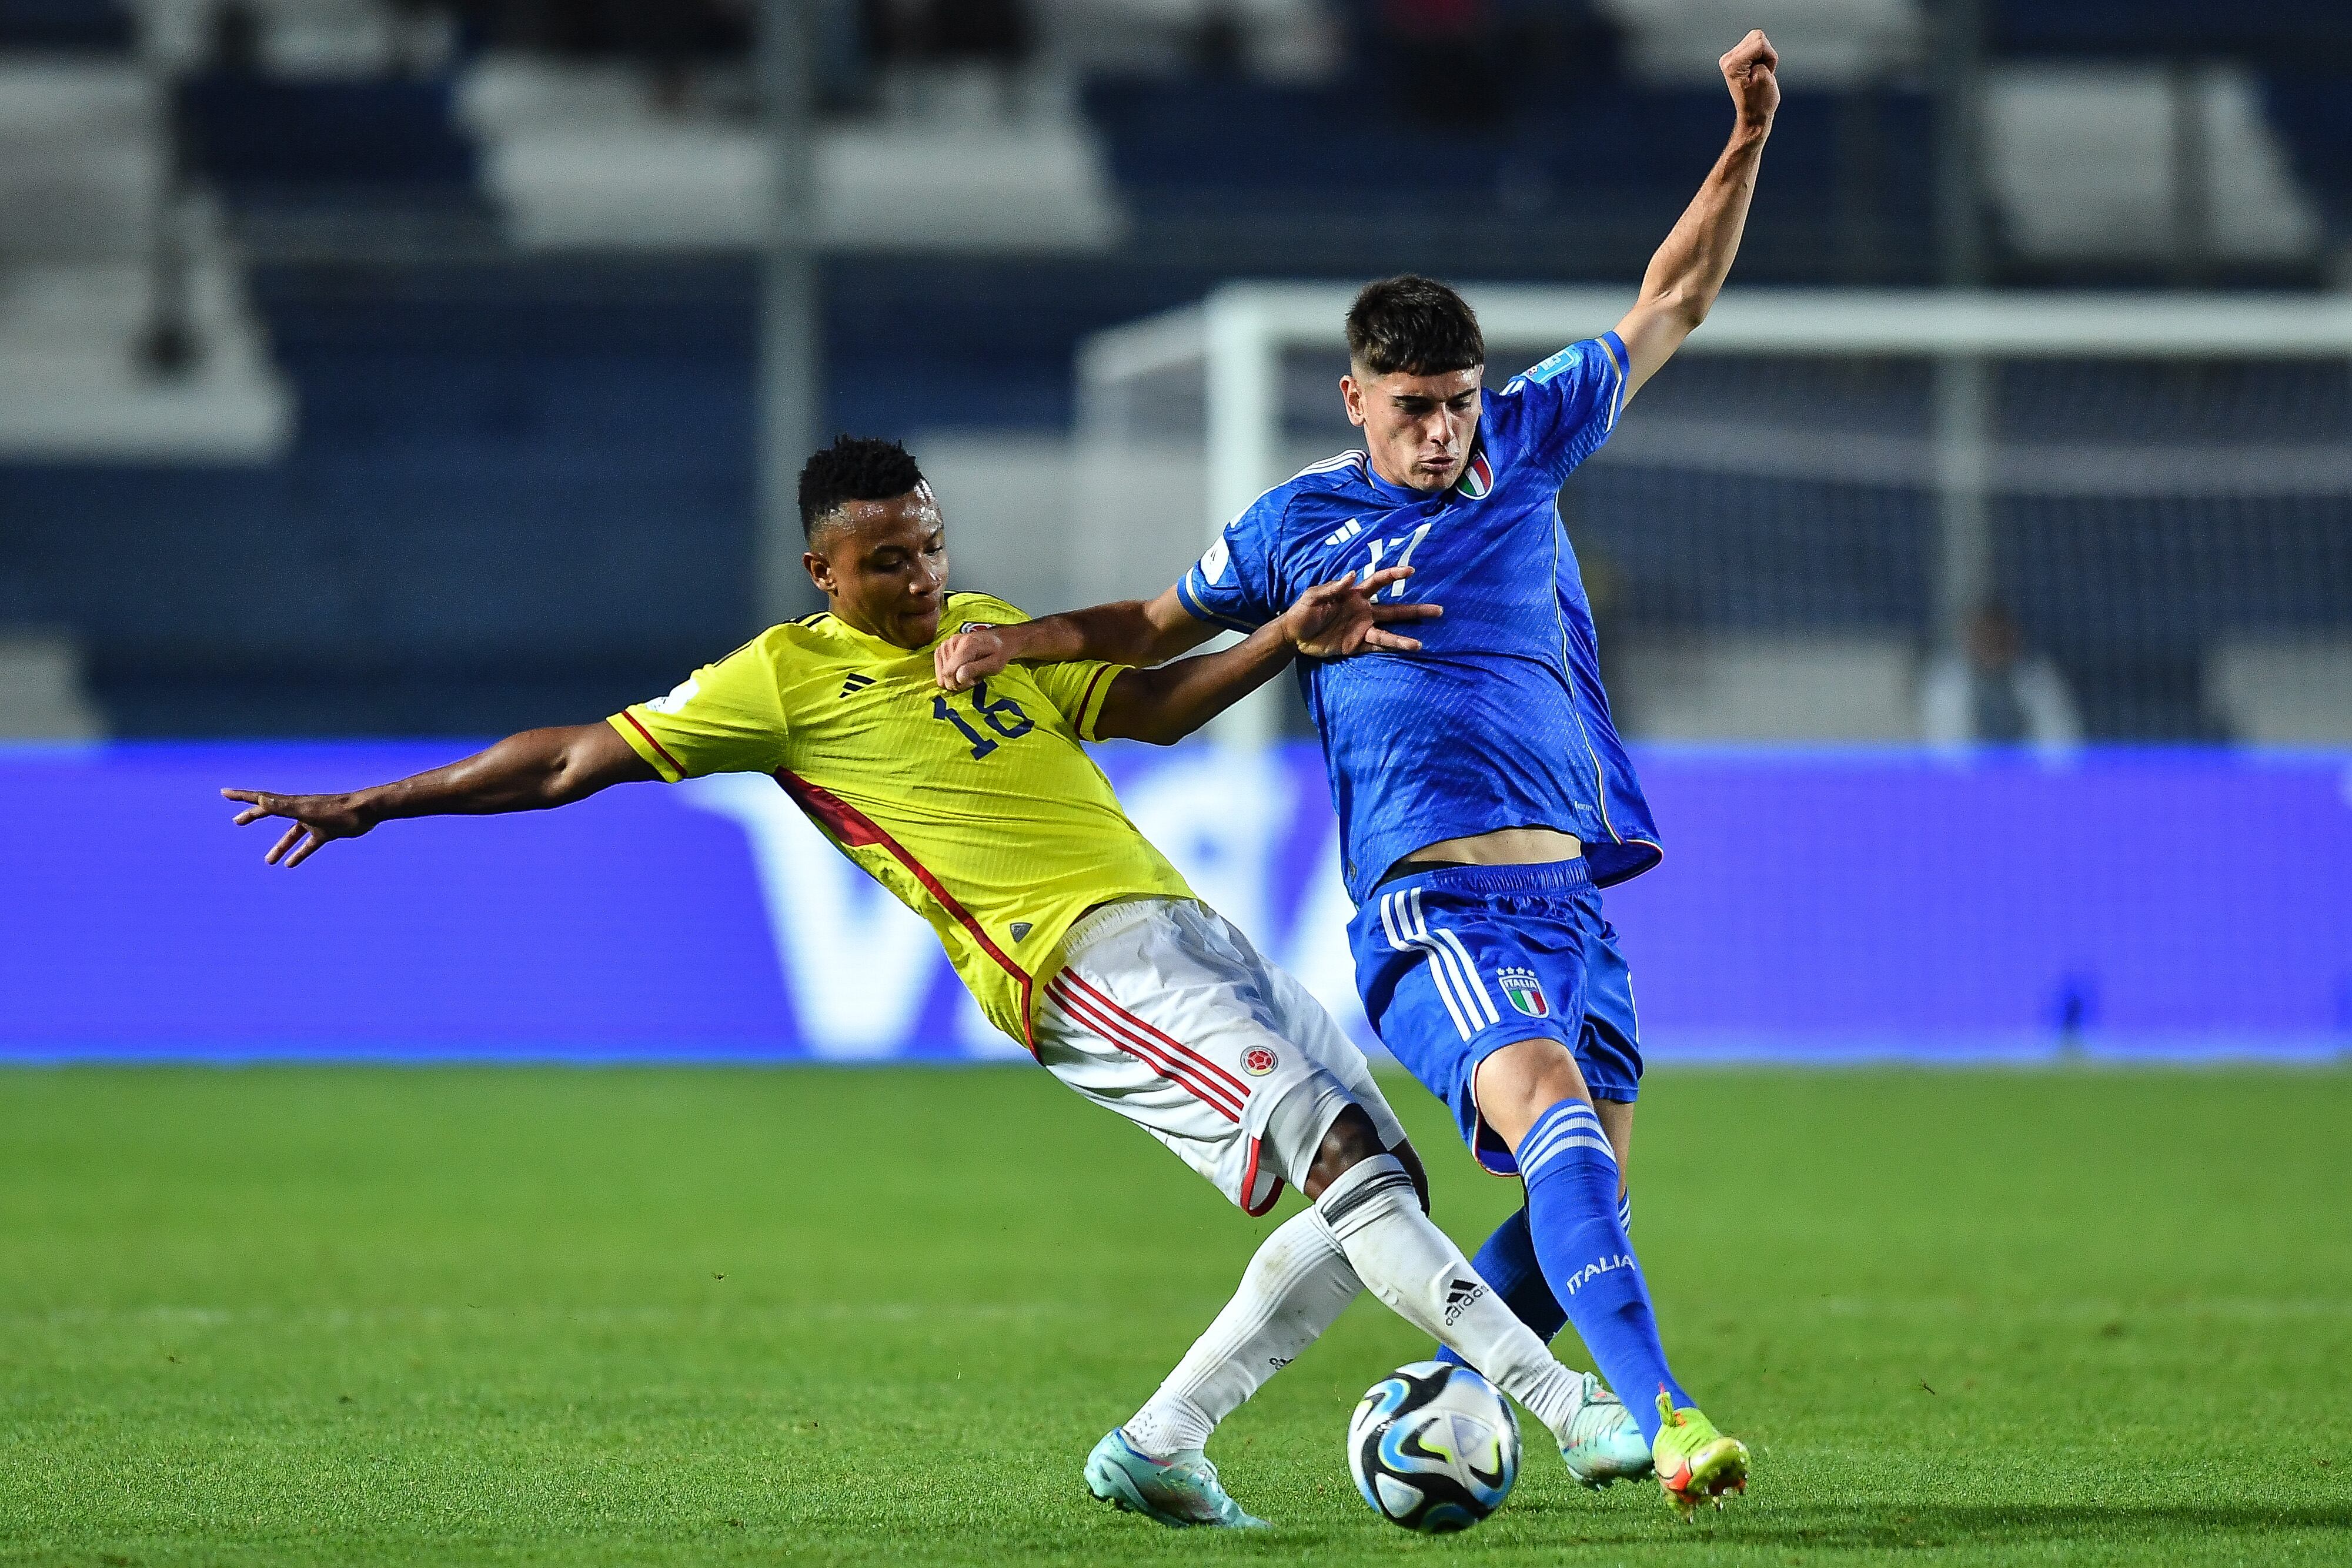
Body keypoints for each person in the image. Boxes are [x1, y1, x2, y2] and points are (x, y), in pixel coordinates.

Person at [220, 435, 1649, 1530]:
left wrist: (1284, 637)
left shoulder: (986, 627)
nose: (918, 579)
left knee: (1377, 1183)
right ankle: (1571, 1406)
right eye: (886, 561)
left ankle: (1157, 1450)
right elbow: (567, 758)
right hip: (1072, 966)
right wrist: (382, 801)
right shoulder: (781, 682)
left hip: (1186, 927)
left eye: (928, 546)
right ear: (821, 574)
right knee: (1348, 1168)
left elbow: (1148, 707)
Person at [933, 29, 1783, 1520]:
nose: (1442, 431)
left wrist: (1748, 130)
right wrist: (1016, 640)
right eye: (1413, 408)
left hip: (1573, 908)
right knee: (1564, 1136)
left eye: (1457, 401)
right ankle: (1654, 1418)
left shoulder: (1526, 441)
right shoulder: (1293, 527)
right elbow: (1148, 626)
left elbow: (1675, 298)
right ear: (1353, 399)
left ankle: (1444, 1395)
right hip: (1435, 913)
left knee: (1579, 1196)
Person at [1920, 603, 2083, 758]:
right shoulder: (1946, 683)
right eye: (1985, 637)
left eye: (2000, 637)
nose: (1993, 644)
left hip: (2030, 780)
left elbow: (2063, 744)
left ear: (2014, 637)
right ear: (1970, 641)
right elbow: (1942, 752)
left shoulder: (2040, 679)